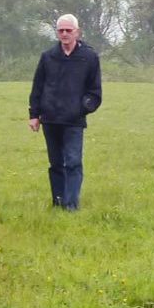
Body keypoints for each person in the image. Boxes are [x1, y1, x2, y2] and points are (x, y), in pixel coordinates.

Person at [28, 13, 102, 210]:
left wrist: (83, 108)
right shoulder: (48, 57)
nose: (65, 34)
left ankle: (71, 205)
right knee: (56, 164)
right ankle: (58, 201)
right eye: (61, 30)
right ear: (57, 33)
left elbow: (95, 92)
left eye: (69, 30)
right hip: (50, 119)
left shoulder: (89, 57)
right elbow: (38, 86)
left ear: (77, 32)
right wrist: (34, 115)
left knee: (73, 162)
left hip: (73, 121)